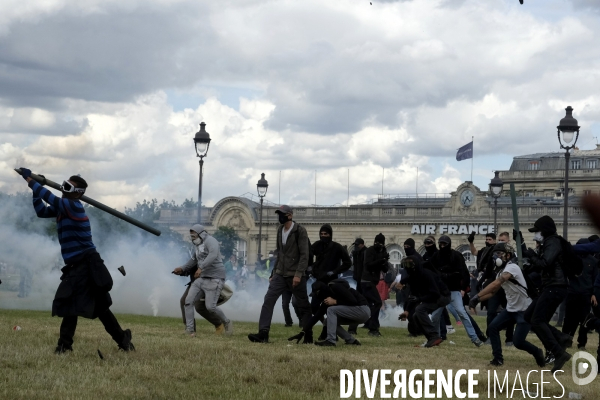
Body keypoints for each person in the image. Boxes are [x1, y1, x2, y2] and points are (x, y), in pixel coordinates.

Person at [21, 169, 135, 353]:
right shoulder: (63, 207)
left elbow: (51, 198)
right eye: (64, 185)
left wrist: (30, 181)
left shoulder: (73, 205)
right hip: (80, 265)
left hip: (86, 264)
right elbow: (41, 211)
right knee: (100, 309)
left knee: (70, 304)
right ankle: (123, 341)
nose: (63, 189)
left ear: (77, 193)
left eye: (68, 187)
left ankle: (64, 346)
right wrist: (36, 190)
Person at [469, 243, 545, 367]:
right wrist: (476, 301)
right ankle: (497, 359)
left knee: (518, 342)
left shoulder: (512, 267)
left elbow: (495, 284)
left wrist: (477, 296)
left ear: (508, 255)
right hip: (511, 310)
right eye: (495, 254)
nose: (496, 257)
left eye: (499, 253)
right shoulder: (501, 272)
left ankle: (537, 352)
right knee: (493, 328)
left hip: (524, 310)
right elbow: (493, 292)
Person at [248, 205, 312, 343]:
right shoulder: (279, 230)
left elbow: (304, 255)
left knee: (303, 305)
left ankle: (308, 335)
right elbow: (280, 254)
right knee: (268, 300)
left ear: (290, 215)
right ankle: (263, 333)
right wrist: (273, 273)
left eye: (282, 214)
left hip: (295, 274)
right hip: (280, 274)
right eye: (279, 214)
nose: (280, 217)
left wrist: (298, 274)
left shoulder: (300, 230)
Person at [522, 215, 573, 373]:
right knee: (529, 317)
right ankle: (561, 338)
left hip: (555, 286)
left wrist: (531, 255)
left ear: (544, 231)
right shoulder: (548, 243)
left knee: (537, 321)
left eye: (537, 231)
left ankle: (559, 352)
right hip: (550, 286)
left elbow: (545, 263)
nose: (536, 235)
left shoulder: (552, 242)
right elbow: (541, 266)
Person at [173, 224, 233, 337]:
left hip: (215, 278)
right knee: (188, 301)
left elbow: (213, 255)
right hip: (202, 278)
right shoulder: (197, 246)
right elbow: (194, 260)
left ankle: (226, 322)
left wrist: (201, 268)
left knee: (210, 307)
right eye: (191, 236)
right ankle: (190, 330)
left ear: (200, 233)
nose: (192, 238)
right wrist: (182, 268)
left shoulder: (211, 241)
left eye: (194, 235)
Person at [429, 235, 483, 347]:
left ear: (448, 244)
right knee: (435, 316)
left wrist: (463, 288)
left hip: (453, 290)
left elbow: (463, 273)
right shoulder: (437, 256)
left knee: (462, 313)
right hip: (442, 292)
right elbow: (431, 270)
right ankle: (435, 338)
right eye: (441, 244)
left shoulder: (456, 256)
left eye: (444, 244)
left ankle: (474, 338)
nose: (442, 246)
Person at [289, 279, 370, 347]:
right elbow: (316, 317)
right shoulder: (328, 300)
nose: (317, 297)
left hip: (362, 310)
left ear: (322, 290)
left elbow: (353, 301)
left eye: (317, 294)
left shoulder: (335, 287)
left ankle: (330, 341)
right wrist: (302, 332)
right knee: (327, 322)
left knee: (331, 310)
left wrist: (335, 301)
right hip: (357, 314)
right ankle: (351, 341)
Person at [394, 256, 451, 347]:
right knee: (416, 316)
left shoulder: (426, 274)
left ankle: (434, 336)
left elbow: (435, 294)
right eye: (405, 265)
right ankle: (431, 339)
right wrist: (407, 311)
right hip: (434, 297)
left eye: (409, 264)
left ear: (415, 265)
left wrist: (420, 299)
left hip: (443, 296)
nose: (407, 267)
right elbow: (412, 295)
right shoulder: (413, 277)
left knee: (420, 309)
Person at [562, 238, 598, 350]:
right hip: (572, 293)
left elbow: (594, 279)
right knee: (569, 319)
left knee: (585, 321)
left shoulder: (593, 261)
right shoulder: (571, 259)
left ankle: (581, 343)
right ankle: (566, 340)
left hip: (585, 294)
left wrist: (593, 294)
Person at [361, 233, 389, 337]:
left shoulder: (382, 251)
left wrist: (384, 261)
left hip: (372, 281)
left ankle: (370, 324)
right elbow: (368, 265)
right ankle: (372, 328)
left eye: (380, 243)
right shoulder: (370, 251)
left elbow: (385, 269)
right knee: (377, 303)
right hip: (367, 281)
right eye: (377, 242)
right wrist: (381, 260)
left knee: (368, 304)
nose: (379, 245)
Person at [348, 238, 366, 335]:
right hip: (360, 281)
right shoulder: (356, 253)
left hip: (364, 281)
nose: (356, 246)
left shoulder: (365, 253)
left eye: (358, 245)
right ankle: (352, 328)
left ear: (362, 244)